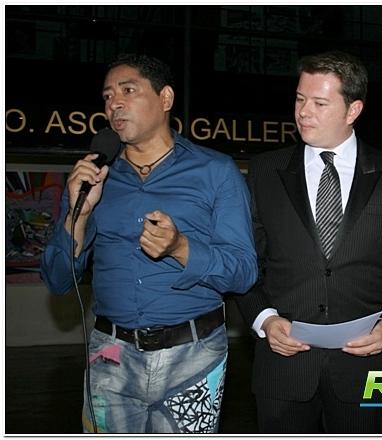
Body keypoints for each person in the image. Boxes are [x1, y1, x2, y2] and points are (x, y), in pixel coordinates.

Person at [40, 54, 257, 433]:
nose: (114, 104)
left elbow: (243, 272)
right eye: (107, 96)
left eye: (128, 90)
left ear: (165, 98)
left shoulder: (216, 171)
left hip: (194, 355)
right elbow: (58, 280)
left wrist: (181, 248)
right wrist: (80, 214)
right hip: (110, 355)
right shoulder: (92, 178)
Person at [236, 50, 382, 433]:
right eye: (299, 99)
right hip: (283, 367)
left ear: (353, 109)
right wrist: (264, 319)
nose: (303, 112)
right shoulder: (264, 171)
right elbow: (244, 262)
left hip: (364, 367)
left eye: (319, 103)